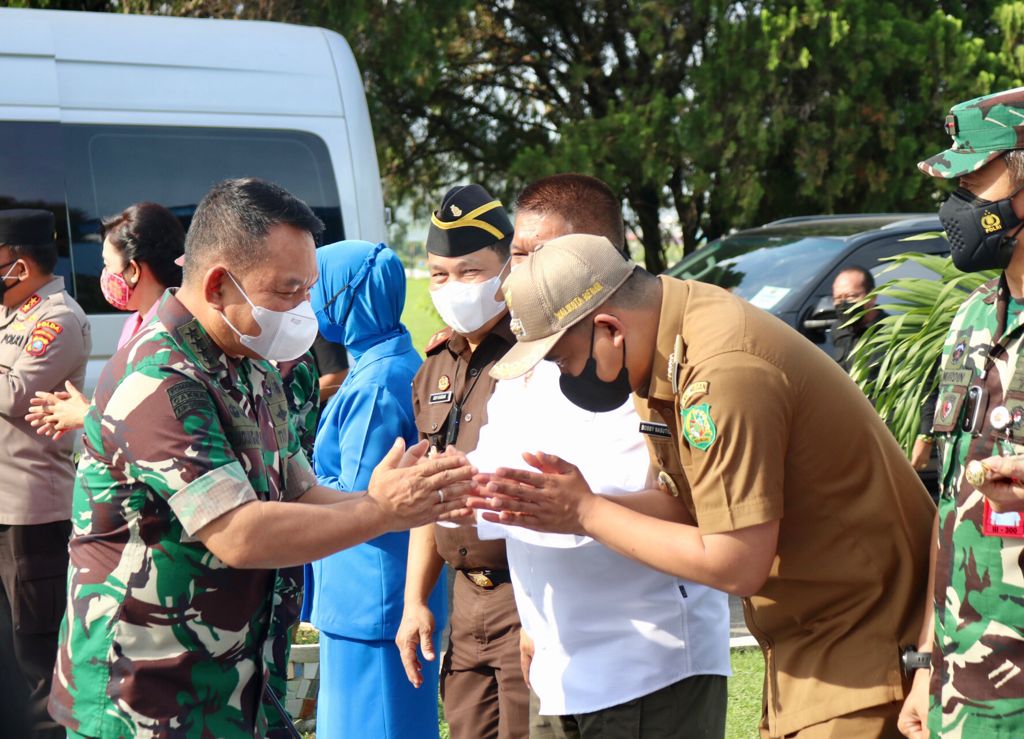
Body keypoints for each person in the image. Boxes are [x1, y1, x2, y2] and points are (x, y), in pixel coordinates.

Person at [46, 178, 476, 737]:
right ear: (221, 284)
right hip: (144, 697)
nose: (305, 310)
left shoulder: (251, 362)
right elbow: (239, 534)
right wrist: (383, 512)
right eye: (289, 291)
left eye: (309, 290)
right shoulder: (159, 376)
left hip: (235, 686)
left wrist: (384, 498)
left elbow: (297, 489)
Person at [477, 233, 936, 738]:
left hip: (865, 637)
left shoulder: (720, 370)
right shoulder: (666, 345)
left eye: (563, 360)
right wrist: (570, 505)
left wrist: (587, 514)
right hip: (816, 639)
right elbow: (690, 505)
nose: (566, 376)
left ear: (609, 328)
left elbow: (737, 563)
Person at [470, 173, 731, 738]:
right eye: (516, 255)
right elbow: (493, 480)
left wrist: (578, 507)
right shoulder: (526, 365)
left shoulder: (653, 361)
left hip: (646, 661)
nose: (523, 275)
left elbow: (694, 506)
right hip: (556, 657)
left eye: (541, 257)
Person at [896, 86, 1024, 739]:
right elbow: (949, 503)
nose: (958, 205)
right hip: (961, 692)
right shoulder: (972, 318)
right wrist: (925, 664)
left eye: (974, 179)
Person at [396, 184, 529, 739]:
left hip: (527, 596)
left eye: (470, 271)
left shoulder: (535, 356)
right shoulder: (433, 369)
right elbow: (430, 492)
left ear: (507, 269)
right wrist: (413, 603)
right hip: (463, 601)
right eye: (440, 273)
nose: (452, 287)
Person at [303, 240, 446, 738]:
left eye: (315, 287)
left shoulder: (376, 383)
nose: (307, 297)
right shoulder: (389, 357)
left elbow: (365, 494)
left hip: (372, 594)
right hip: (371, 589)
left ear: (346, 298)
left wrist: (292, 475)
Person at [0, 209, 91, 739]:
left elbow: (14, 394)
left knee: (34, 658)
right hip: (5, 510)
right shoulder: (11, 312)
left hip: (32, 517)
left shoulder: (57, 317)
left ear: (20, 262)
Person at [25, 202, 185, 438]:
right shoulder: (135, 322)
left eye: (107, 265)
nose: (104, 275)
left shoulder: (172, 331)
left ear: (133, 271)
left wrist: (86, 415)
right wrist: (92, 408)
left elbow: (157, 425)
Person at [830, 265, 884, 371]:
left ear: (872, 296)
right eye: (837, 298)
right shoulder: (838, 329)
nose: (843, 304)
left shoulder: (890, 332)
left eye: (851, 296)